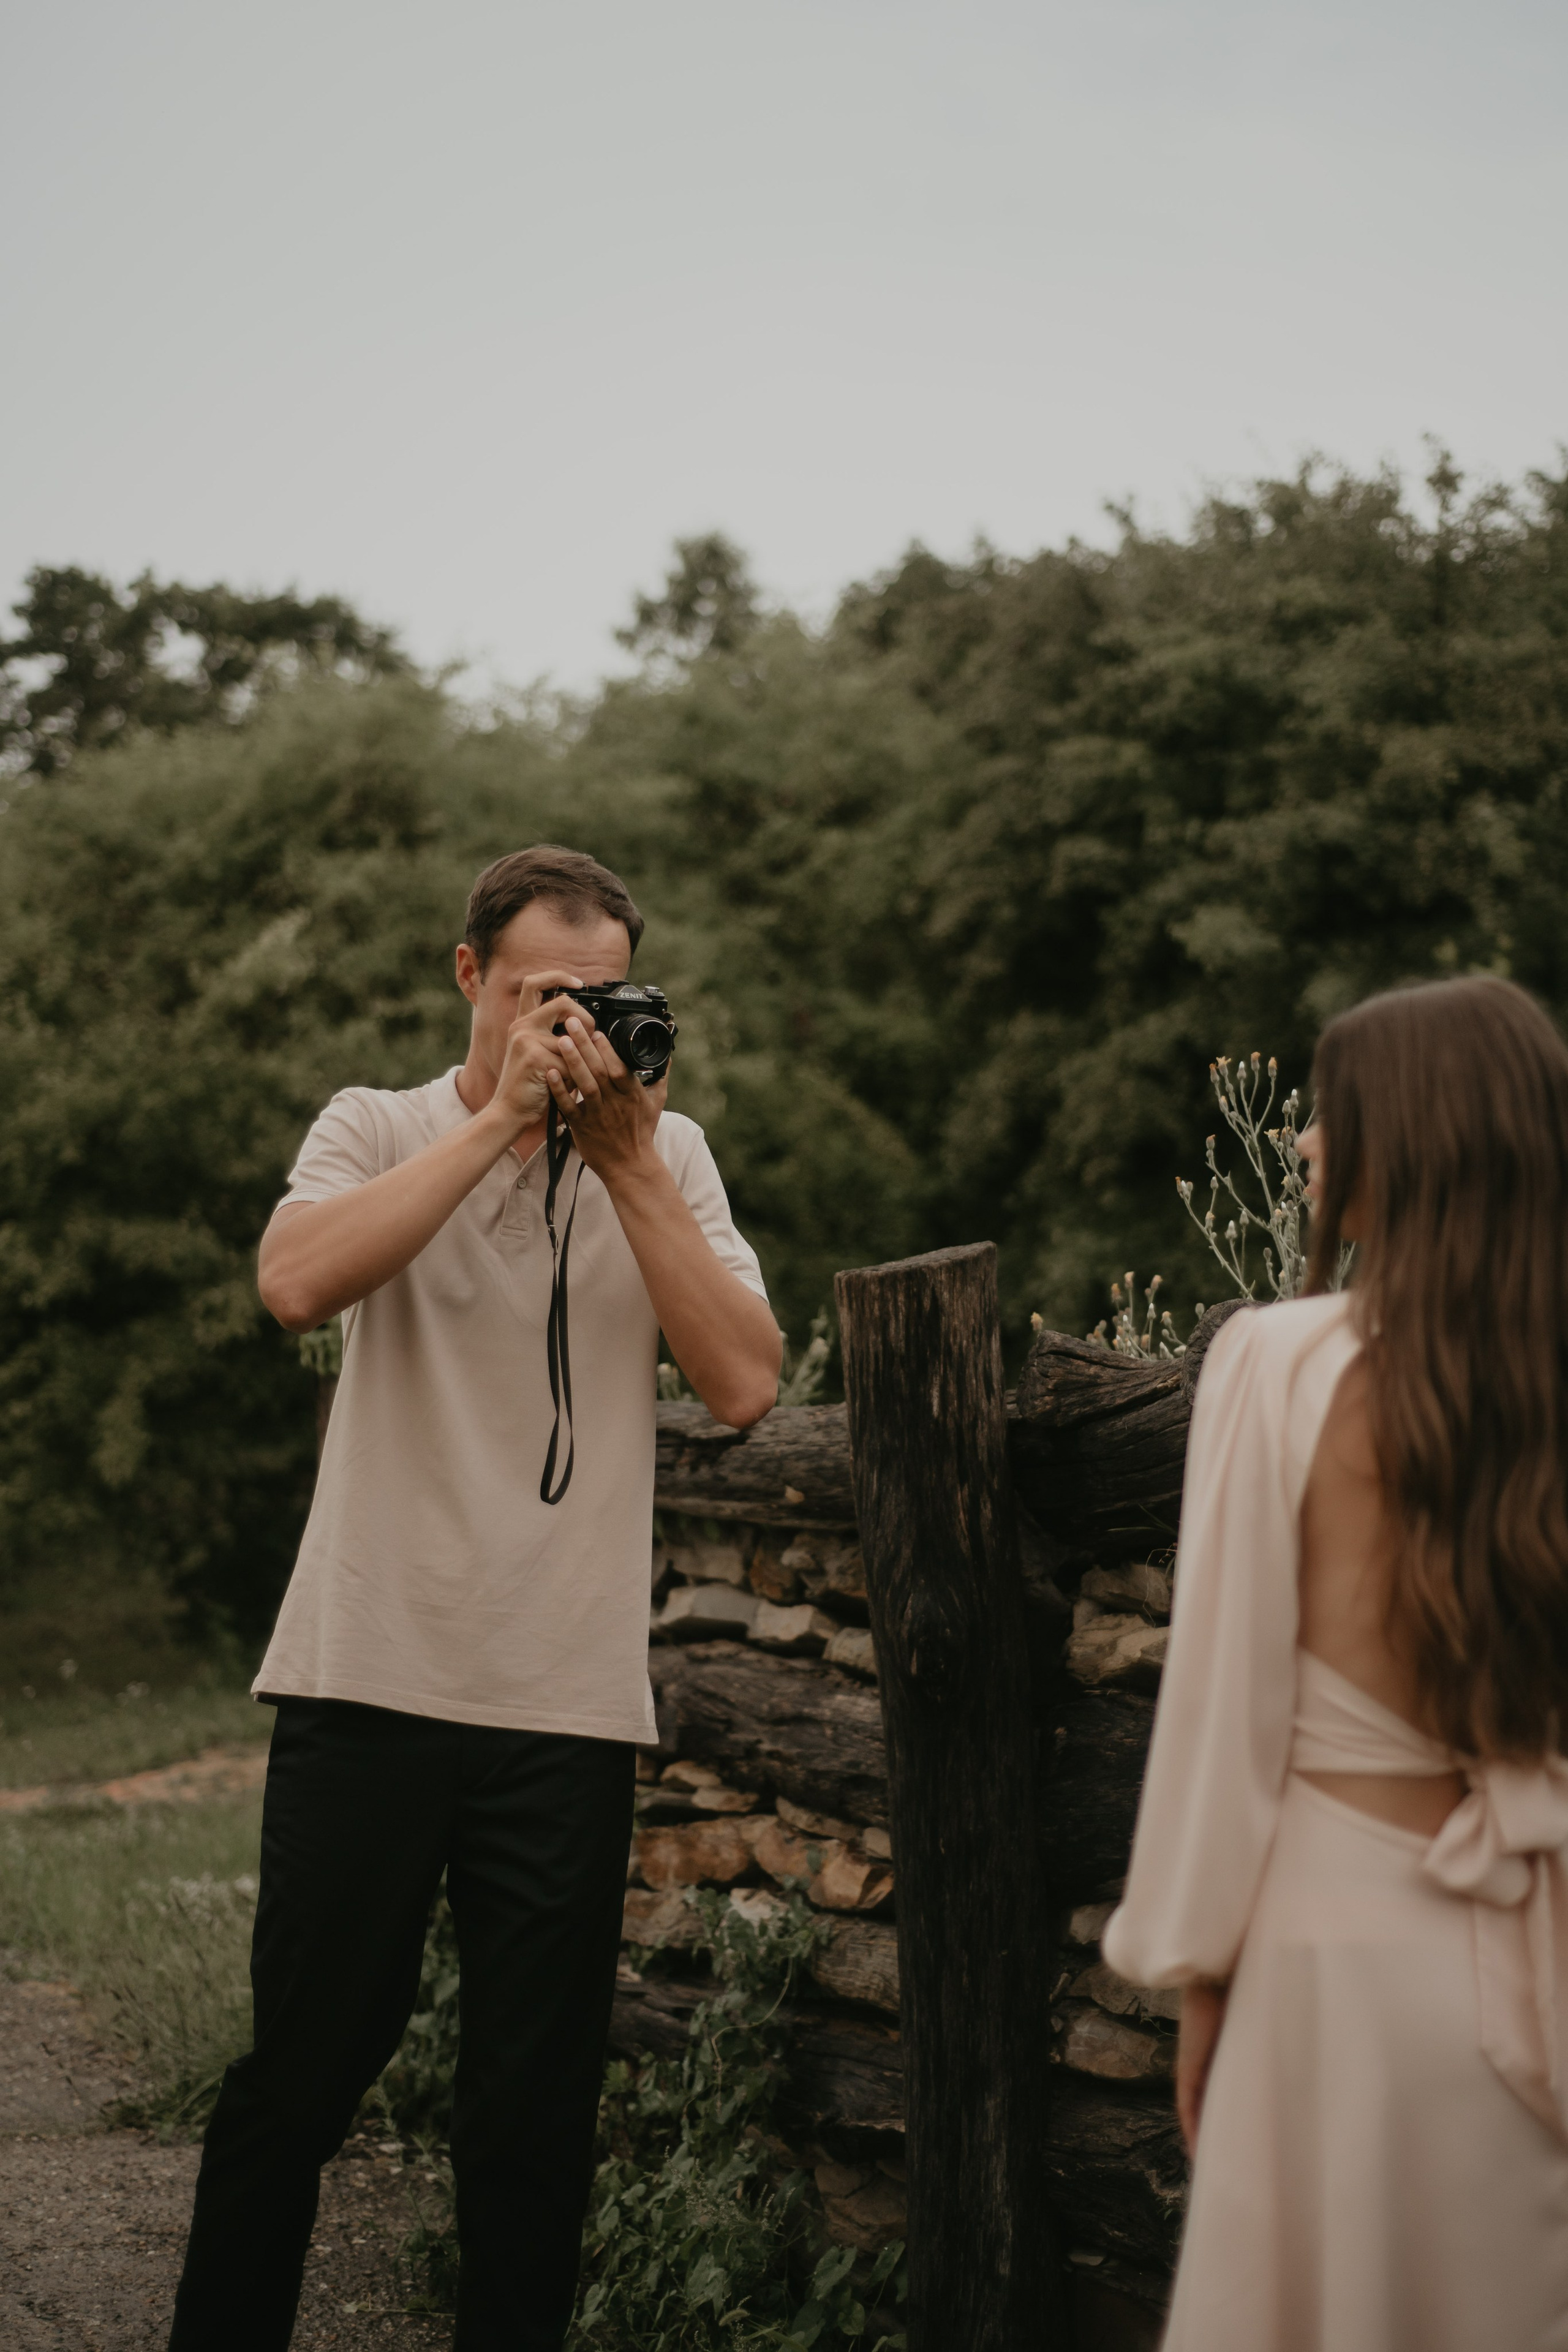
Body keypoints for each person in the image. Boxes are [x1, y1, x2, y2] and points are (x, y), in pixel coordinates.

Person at [167, 845, 781, 2352]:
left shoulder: (669, 1152)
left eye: (596, 996)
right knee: (299, 2082)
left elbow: (746, 1380)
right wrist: (502, 1119)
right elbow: (295, 1284)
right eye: (536, 996)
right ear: (469, 980)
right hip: (366, 1674)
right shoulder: (375, 1123)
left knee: (530, 2117)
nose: (567, 1026)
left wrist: (625, 1161)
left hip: (561, 1702)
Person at [1102, 975, 1568, 2352]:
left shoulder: (1279, 1361)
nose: (1302, 1147)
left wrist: (1199, 1984)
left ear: (1410, 1138)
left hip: (1334, 1969)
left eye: (1331, 1114)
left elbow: (1221, 1715)